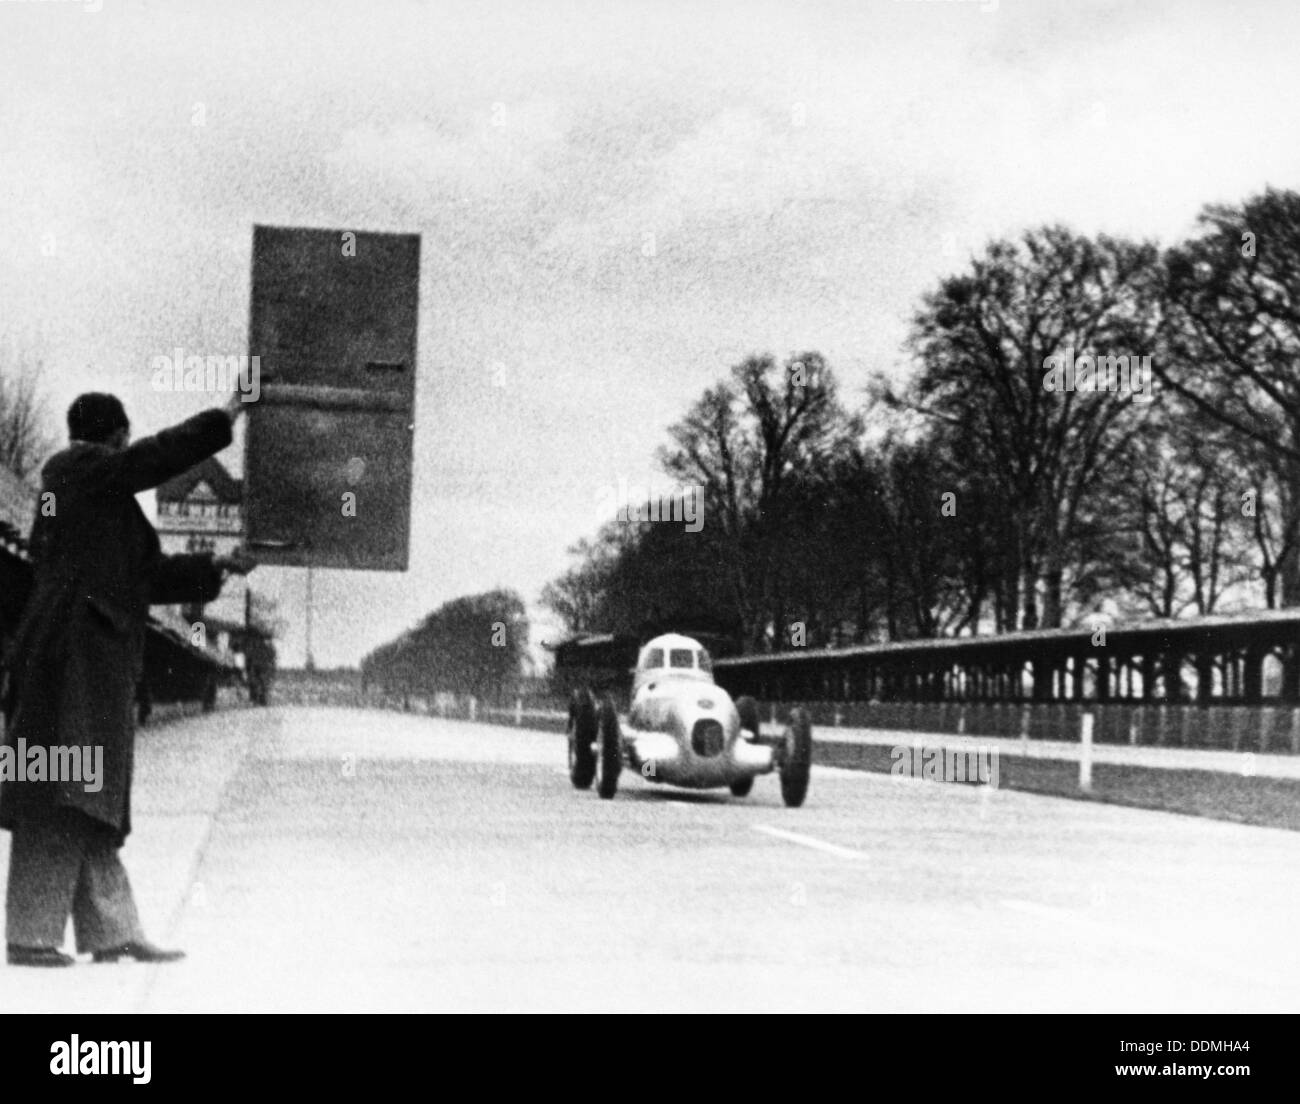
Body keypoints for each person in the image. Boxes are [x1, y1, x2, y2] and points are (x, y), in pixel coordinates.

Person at [1, 391, 251, 967]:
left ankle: (113, 929)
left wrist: (215, 568)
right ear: (112, 436)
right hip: (71, 662)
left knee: (82, 791)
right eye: (125, 436)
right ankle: (31, 937)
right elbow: (155, 458)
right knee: (60, 785)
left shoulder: (81, 500)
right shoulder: (79, 471)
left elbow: (145, 578)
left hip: (74, 659)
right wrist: (227, 415)